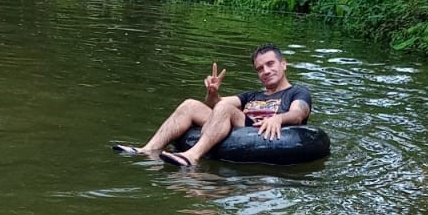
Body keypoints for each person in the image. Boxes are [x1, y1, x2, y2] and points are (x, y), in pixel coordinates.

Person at [113, 44, 312, 168]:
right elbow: (216, 106)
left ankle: (192, 156)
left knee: (226, 108)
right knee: (190, 104)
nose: (266, 71)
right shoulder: (252, 95)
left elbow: (298, 113)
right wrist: (213, 93)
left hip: (261, 132)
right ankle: (148, 149)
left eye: (270, 64)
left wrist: (278, 117)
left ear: (283, 64)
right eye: (260, 68)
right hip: (238, 128)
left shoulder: (297, 92)